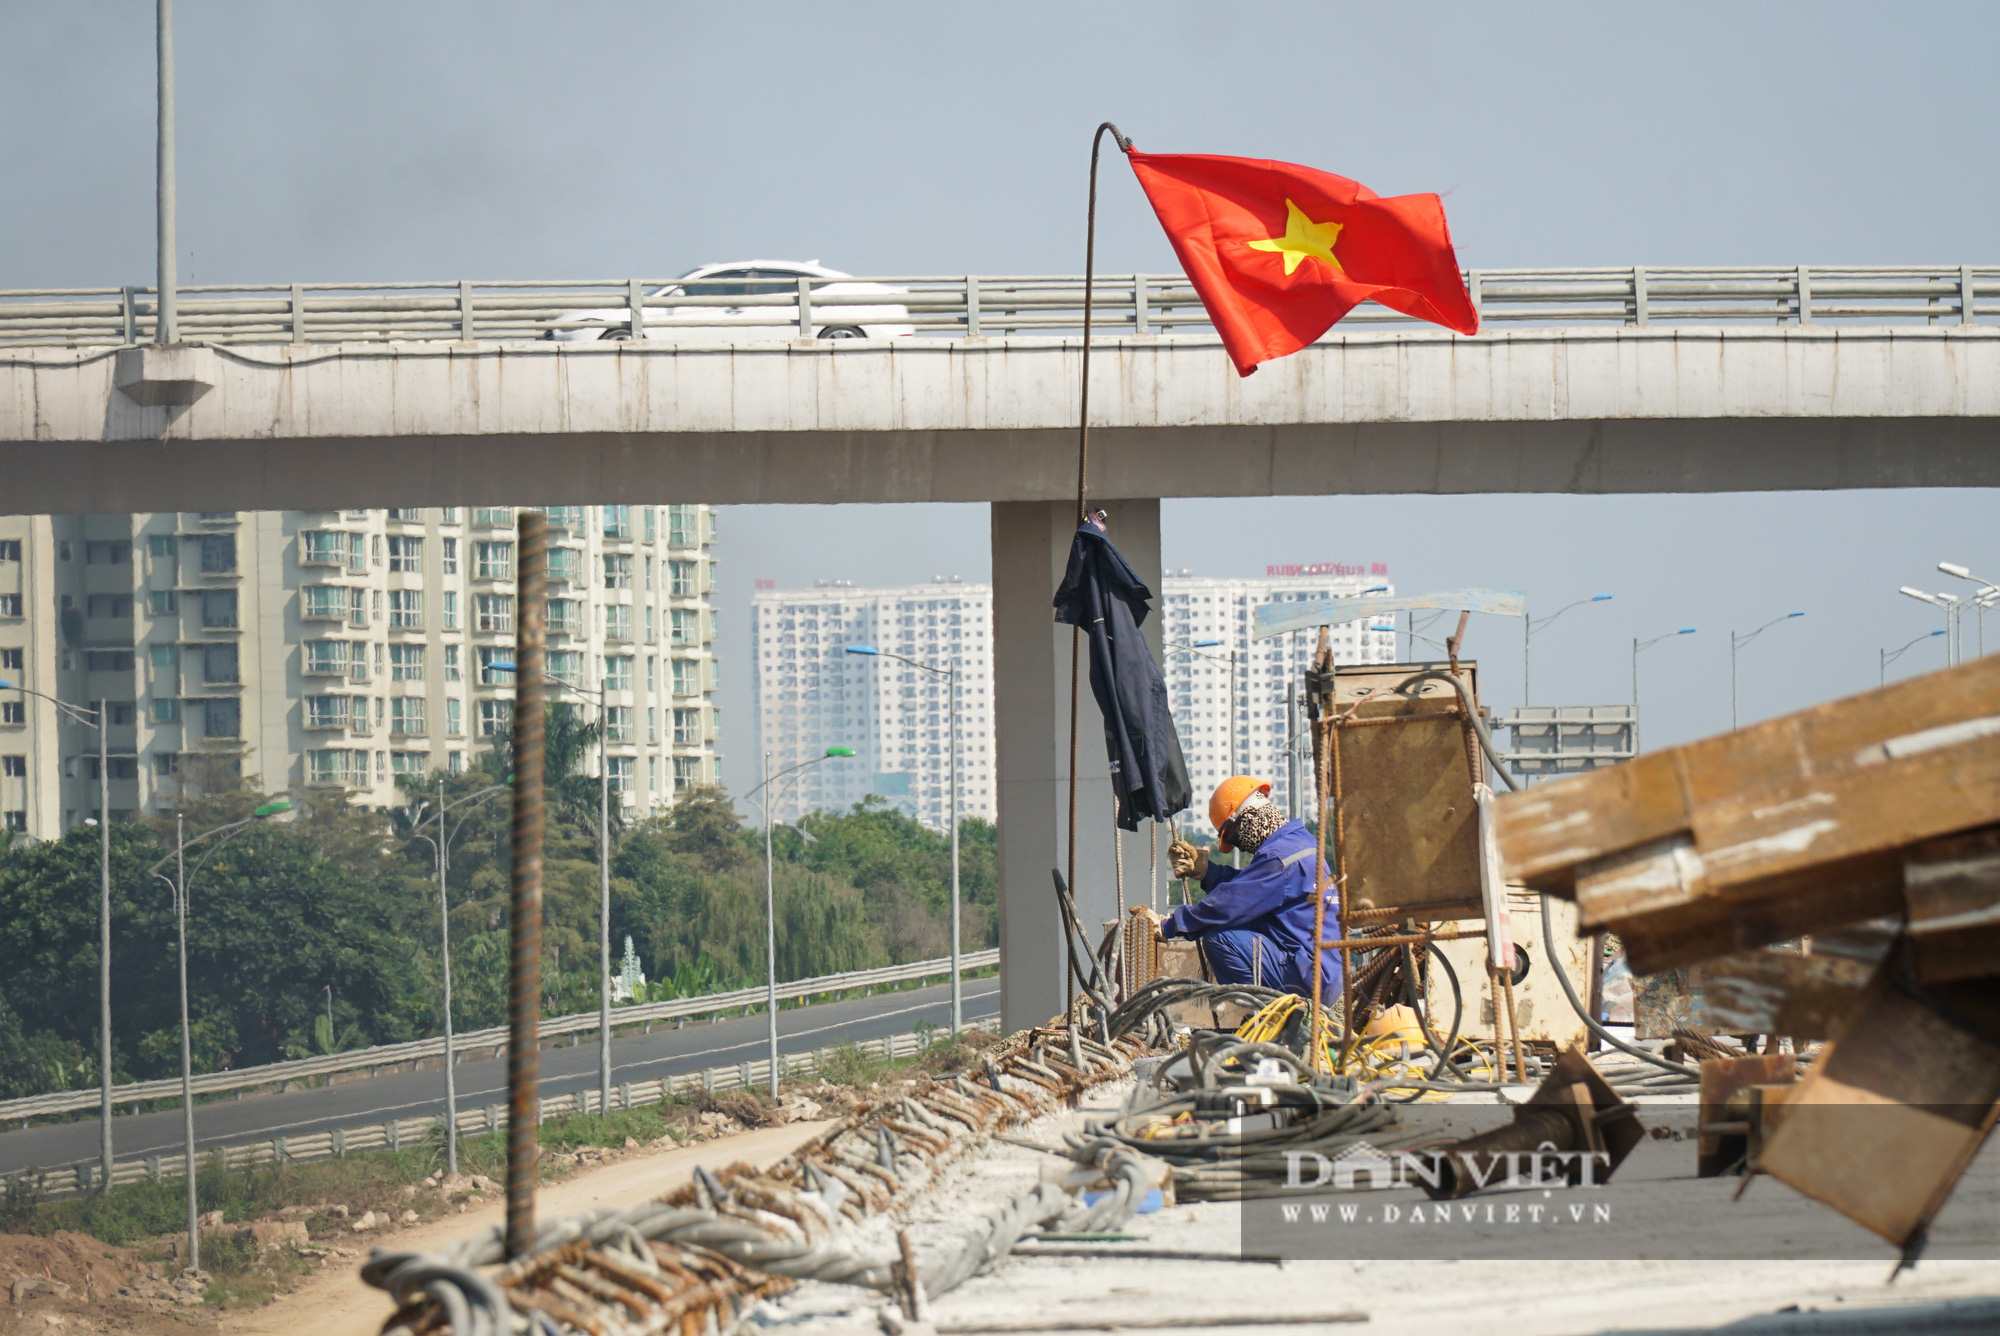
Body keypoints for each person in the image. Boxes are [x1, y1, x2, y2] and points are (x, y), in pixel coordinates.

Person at [1158, 775, 1339, 999]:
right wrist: (1208, 873)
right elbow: (1254, 892)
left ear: (1244, 819)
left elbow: (1229, 905)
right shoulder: (1300, 843)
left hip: (1306, 975)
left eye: (1234, 838)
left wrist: (1167, 926)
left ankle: (1270, 1018)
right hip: (1321, 971)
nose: (1241, 847)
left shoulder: (1278, 858)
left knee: (1220, 937)